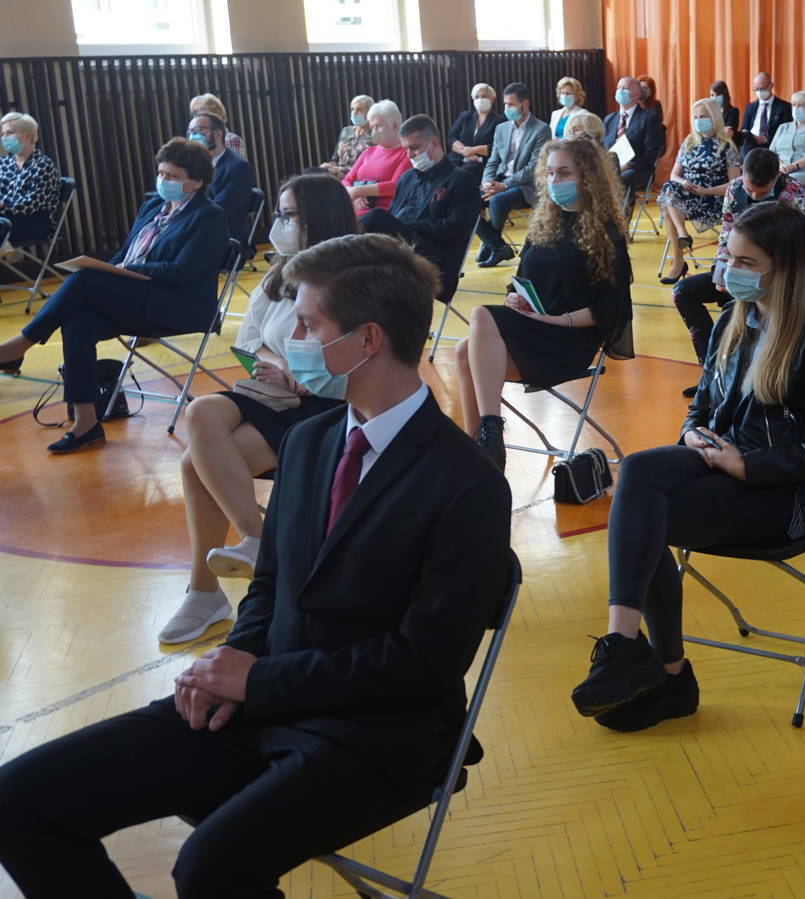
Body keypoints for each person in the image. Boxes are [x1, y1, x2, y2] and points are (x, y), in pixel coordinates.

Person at [0, 233, 512, 898]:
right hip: (260, 701)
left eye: (307, 325)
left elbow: (423, 663)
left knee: (210, 866)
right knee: (19, 799)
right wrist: (231, 662)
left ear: (367, 340)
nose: (290, 339)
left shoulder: (466, 481)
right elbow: (270, 583)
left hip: (379, 732)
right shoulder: (309, 440)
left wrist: (258, 680)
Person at [569, 202, 805, 733]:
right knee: (639, 474)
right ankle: (632, 650)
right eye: (729, 256)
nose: (728, 269)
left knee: (644, 516)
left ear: (784, 268)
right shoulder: (732, 321)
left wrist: (748, 465)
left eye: (745, 262)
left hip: (786, 496)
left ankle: (665, 674)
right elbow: (701, 405)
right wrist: (692, 433)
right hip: (721, 465)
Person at [159, 173, 359, 644]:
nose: (280, 224)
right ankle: (257, 538)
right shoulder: (277, 275)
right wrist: (280, 366)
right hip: (271, 391)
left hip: (323, 403)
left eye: (290, 216)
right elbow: (249, 341)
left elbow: (356, 360)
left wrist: (302, 372)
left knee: (193, 465)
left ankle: (205, 591)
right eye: (279, 214)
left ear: (318, 219)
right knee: (202, 411)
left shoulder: (350, 278)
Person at [0, 138, 227, 452]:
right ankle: (86, 423)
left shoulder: (209, 217)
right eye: (161, 173)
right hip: (141, 297)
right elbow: (125, 254)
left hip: (180, 305)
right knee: (78, 323)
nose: (164, 180)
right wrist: (113, 269)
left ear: (197, 182)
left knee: (85, 279)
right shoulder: (153, 207)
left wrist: (126, 271)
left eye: (173, 176)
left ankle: (18, 346)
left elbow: (181, 271)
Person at [455, 138, 633, 470]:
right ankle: (480, 450)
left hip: (569, 341)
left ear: (587, 178)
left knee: (479, 317)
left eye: (564, 173)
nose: (554, 181)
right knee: (463, 351)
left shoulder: (606, 233)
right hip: (534, 329)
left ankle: (488, 434)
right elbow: (521, 280)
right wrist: (514, 296)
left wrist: (558, 320)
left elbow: (613, 308)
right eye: (550, 173)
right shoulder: (544, 224)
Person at [672, 147, 805, 370]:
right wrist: (721, 271)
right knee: (683, 292)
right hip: (743, 267)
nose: (755, 196)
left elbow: (800, 249)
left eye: (762, 192)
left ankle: (763, 369)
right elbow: (727, 233)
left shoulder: (798, 194)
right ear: (743, 175)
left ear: (776, 177)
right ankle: (712, 366)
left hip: (786, 273)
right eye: (750, 190)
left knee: (746, 309)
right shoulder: (734, 188)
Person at [359, 114, 482, 299]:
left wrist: (409, 226)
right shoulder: (406, 178)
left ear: (434, 143)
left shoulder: (461, 180)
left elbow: (453, 232)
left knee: (375, 217)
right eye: (405, 149)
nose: (409, 155)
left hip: (433, 260)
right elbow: (393, 215)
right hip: (395, 251)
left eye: (414, 148)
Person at [657, 97, 742, 285]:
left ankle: (679, 261)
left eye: (703, 116)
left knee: (669, 207)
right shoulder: (689, 142)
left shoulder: (726, 146)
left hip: (714, 199)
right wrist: (684, 182)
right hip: (688, 195)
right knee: (669, 190)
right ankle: (683, 235)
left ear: (714, 117)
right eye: (695, 117)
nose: (698, 120)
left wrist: (706, 191)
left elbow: (735, 184)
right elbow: (674, 175)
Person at [473, 82, 552, 268]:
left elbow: (534, 167)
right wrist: (487, 182)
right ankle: (496, 245)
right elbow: (492, 161)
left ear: (525, 104)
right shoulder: (501, 128)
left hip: (526, 185)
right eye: (505, 104)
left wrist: (505, 185)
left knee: (497, 201)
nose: (507, 108)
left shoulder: (541, 129)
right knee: (465, 201)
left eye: (511, 104)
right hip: (500, 181)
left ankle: (492, 246)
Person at [187, 111, 257, 252]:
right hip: (197, 229)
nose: (192, 136)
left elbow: (220, 208)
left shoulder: (238, 167)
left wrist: (185, 216)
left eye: (198, 130)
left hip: (223, 237)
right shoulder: (193, 165)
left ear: (218, 134)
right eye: (190, 131)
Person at [603, 76, 666, 215]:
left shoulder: (648, 118)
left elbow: (650, 154)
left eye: (625, 88)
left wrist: (625, 166)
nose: (620, 91)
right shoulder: (609, 119)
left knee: (624, 178)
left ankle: (621, 224)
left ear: (637, 94)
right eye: (619, 88)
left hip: (638, 170)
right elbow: (602, 148)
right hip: (610, 168)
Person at [0, 112, 61, 249]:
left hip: (34, 222)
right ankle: (5, 251)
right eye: (2, 134)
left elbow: (31, 205)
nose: (4, 138)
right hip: (5, 221)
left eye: (9, 133)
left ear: (28, 135)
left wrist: (3, 205)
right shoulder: (3, 164)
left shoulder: (43, 166)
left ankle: (5, 251)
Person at [340, 99, 409, 219]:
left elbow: (395, 186)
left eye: (378, 126)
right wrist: (355, 195)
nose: (373, 132)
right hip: (354, 210)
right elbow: (347, 179)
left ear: (394, 126)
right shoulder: (368, 151)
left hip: (381, 215)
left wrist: (359, 191)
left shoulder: (406, 153)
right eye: (372, 127)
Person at [446, 82, 505, 177]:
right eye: (477, 97)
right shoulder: (465, 116)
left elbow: (498, 147)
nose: (480, 99)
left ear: (492, 99)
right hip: (457, 158)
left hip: (480, 162)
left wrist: (473, 150)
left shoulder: (499, 121)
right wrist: (465, 151)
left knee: (460, 175)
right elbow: (451, 138)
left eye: (484, 96)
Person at [321, 94, 374, 179]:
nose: (354, 113)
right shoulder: (346, 131)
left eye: (359, 110)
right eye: (352, 109)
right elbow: (335, 159)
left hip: (359, 177)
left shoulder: (375, 135)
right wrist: (328, 165)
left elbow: (369, 167)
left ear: (370, 112)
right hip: (338, 174)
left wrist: (339, 169)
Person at [740, 71, 792, 157]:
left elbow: (786, 133)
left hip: (771, 146)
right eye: (756, 89)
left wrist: (765, 139)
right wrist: (750, 137)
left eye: (762, 88)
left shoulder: (784, 107)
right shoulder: (750, 107)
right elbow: (744, 129)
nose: (759, 92)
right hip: (751, 146)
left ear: (771, 86)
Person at [189, 93, 243, 157]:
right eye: (194, 113)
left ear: (215, 114)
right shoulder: (196, 140)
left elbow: (232, 163)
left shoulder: (230, 139)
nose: (196, 116)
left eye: (200, 111)